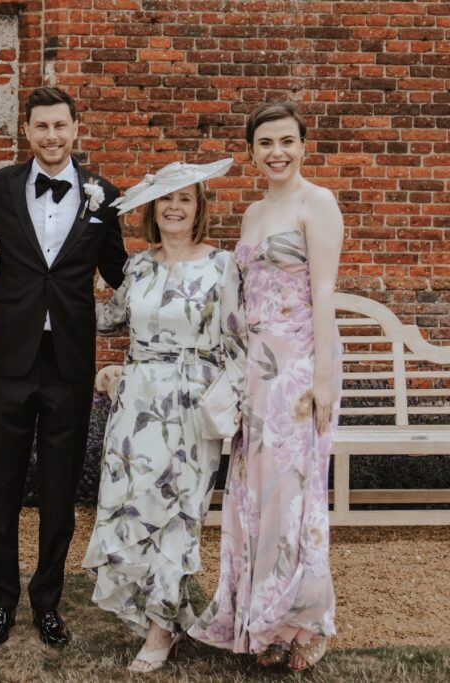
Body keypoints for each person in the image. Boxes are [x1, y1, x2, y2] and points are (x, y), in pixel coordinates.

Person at [189, 101, 344, 672]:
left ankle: (302, 621)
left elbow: (323, 293)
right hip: (255, 369)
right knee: (254, 495)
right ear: (252, 151)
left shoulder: (317, 203)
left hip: (301, 367)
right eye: (265, 144)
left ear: (304, 145)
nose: (276, 152)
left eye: (286, 141)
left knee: (293, 493)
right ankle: (263, 621)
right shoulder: (253, 212)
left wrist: (323, 380)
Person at [0, 86, 128, 649]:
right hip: (11, 358)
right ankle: (0, 602)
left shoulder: (102, 194)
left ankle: (47, 601)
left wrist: (173, 278)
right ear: (27, 131)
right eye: (40, 127)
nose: (50, 136)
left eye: (60, 126)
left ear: (75, 129)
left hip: (68, 359)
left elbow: (118, 271)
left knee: (61, 487)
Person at [81, 160, 245, 674]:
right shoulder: (139, 267)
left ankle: (160, 629)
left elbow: (241, 338)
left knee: (179, 513)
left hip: (194, 405)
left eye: (186, 200)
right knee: (129, 507)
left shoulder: (223, 265)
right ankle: (165, 611)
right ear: (153, 209)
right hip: (136, 404)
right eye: (166, 200)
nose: (175, 208)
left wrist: (231, 394)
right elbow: (105, 321)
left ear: (199, 209)